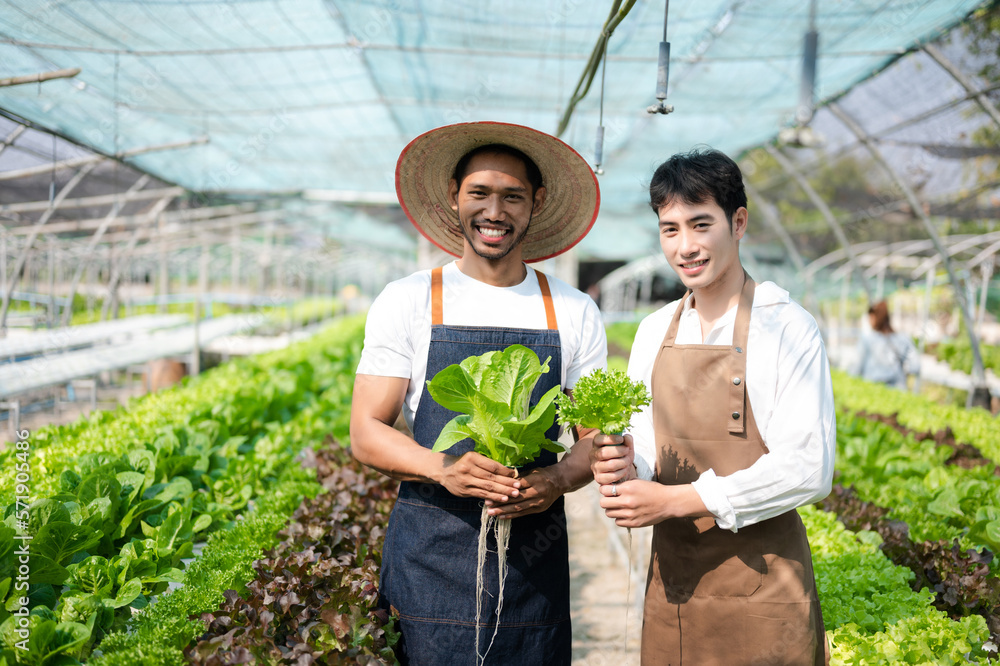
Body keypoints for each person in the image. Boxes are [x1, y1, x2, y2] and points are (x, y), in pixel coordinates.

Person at [350, 121, 607, 665]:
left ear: (535, 203)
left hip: (531, 564)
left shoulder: (573, 310)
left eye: (513, 196)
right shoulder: (410, 300)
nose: (495, 211)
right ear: (453, 197)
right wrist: (443, 467)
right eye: (480, 193)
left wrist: (558, 479)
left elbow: (595, 439)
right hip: (430, 556)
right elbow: (366, 431)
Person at [590, 148, 835, 664]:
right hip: (675, 582)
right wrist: (622, 465)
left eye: (701, 224)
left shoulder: (785, 326)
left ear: (738, 222)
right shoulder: (654, 331)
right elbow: (647, 453)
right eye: (670, 228)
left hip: (765, 588)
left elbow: (809, 468)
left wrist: (675, 502)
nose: (685, 246)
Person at [854, 299, 920, 389]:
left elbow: (857, 368)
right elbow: (915, 366)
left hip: (872, 391)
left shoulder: (867, 339)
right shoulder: (903, 338)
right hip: (898, 391)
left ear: (874, 317)